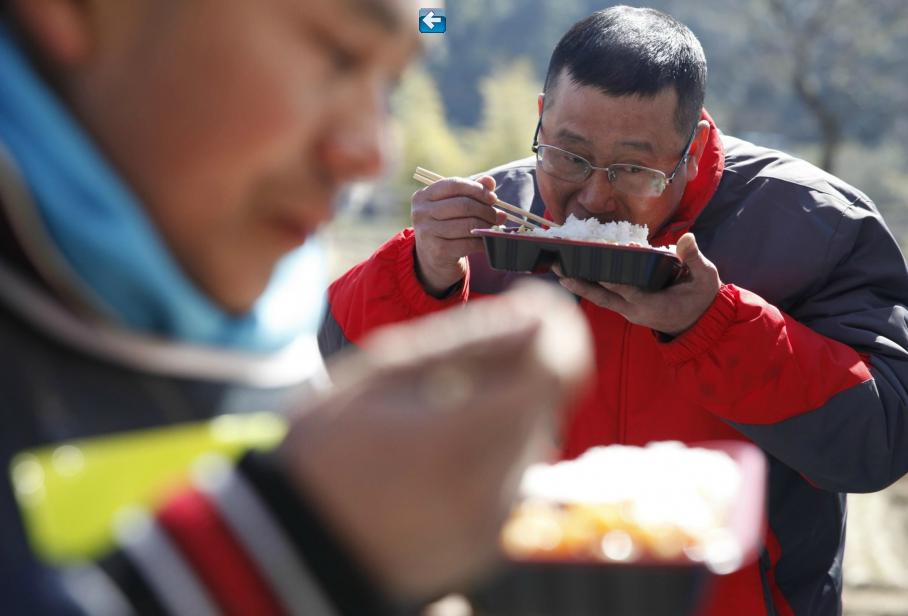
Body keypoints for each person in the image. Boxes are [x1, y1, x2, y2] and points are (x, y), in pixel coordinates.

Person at [0, 0, 593, 614]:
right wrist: (296, 545)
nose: (373, 153)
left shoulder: (265, 324)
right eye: (338, 56)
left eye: (389, 83)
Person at [319, 6, 908, 615]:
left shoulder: (818, 226)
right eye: (569, 156)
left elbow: (878, 442)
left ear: (694, 144)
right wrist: (424, 274)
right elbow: (344, 376)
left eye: (633, 168)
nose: (596, 197)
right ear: (542, 117)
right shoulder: (490, 220)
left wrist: (712, 326)